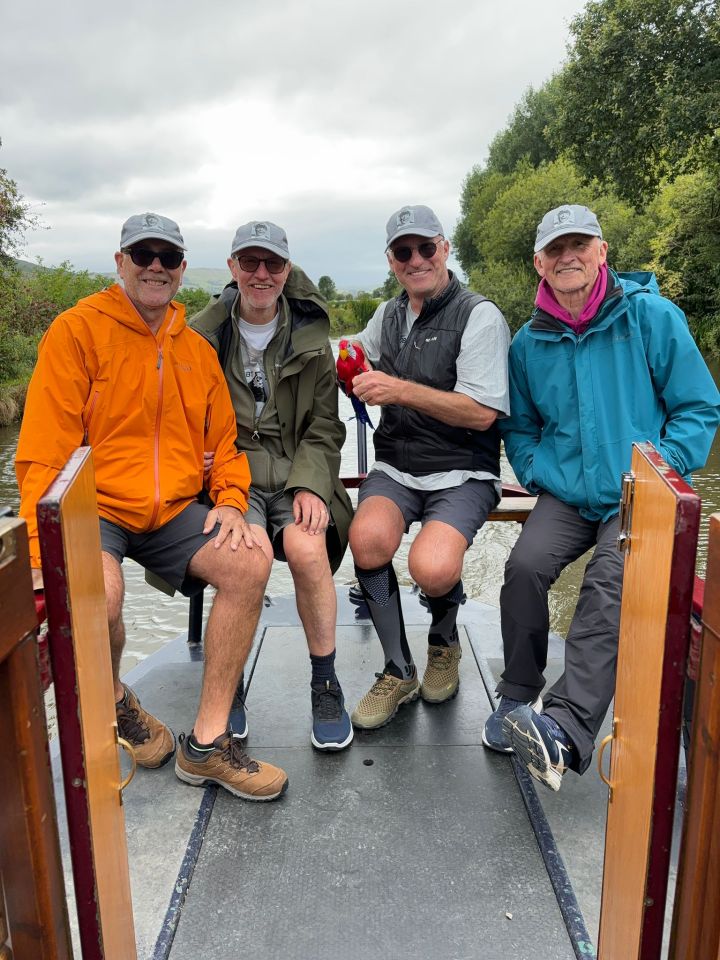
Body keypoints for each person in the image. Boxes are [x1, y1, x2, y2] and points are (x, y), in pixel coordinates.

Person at [16, 212, 288, 802]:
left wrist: (235, 503)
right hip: (97, 509)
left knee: (250, 560)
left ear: (183, 268)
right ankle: (115, 698)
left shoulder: (195, 350)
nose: (156, 267)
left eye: (168, 257)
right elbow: (41, 458)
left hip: (169, 512)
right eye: (143, 255)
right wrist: (44, 553)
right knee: (100, 594)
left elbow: (225, 447)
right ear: (120, 263)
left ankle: (208, 744)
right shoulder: (76, 332)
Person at [483, 203, 720, 791]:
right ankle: (517, 695)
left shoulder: (651, 318)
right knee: (524, 568)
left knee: (610, 578)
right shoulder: (528, 343)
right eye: (556, 250)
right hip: (566, 493)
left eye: (579, 245)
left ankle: (565, 727)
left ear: (601, 252)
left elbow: (698, 407)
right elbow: (520, 427)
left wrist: (659, 472)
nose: (569, 257)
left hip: (636, 491)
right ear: (539, 263)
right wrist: (538, 471)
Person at [189, 220, 354, 751]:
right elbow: (178, 417)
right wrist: (199, 457)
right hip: (231, 477)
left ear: (287, 271)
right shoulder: (200, 337)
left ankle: (325, 682)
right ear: (233, 268)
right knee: (242, 554)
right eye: (250, 263)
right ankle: (227, 681)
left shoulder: (313, 339)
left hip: (293, 473)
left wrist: (311, 485)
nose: (262, 274)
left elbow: (326, 426)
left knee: (307, 550)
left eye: (273, 264)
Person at [346, 204, 510, 728]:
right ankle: (397, 670)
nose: (415, 260)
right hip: (397, 465)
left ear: (445, 248)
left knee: (432, 568)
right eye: (403, 252)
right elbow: (358, 355)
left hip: (463, 469)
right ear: (392, 261)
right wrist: (343, 361)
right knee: (365, 540)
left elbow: (482, 413)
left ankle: (443, 642)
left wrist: (397, 390)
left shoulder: (479, 315)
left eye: (425, 248)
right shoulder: (388, 314)